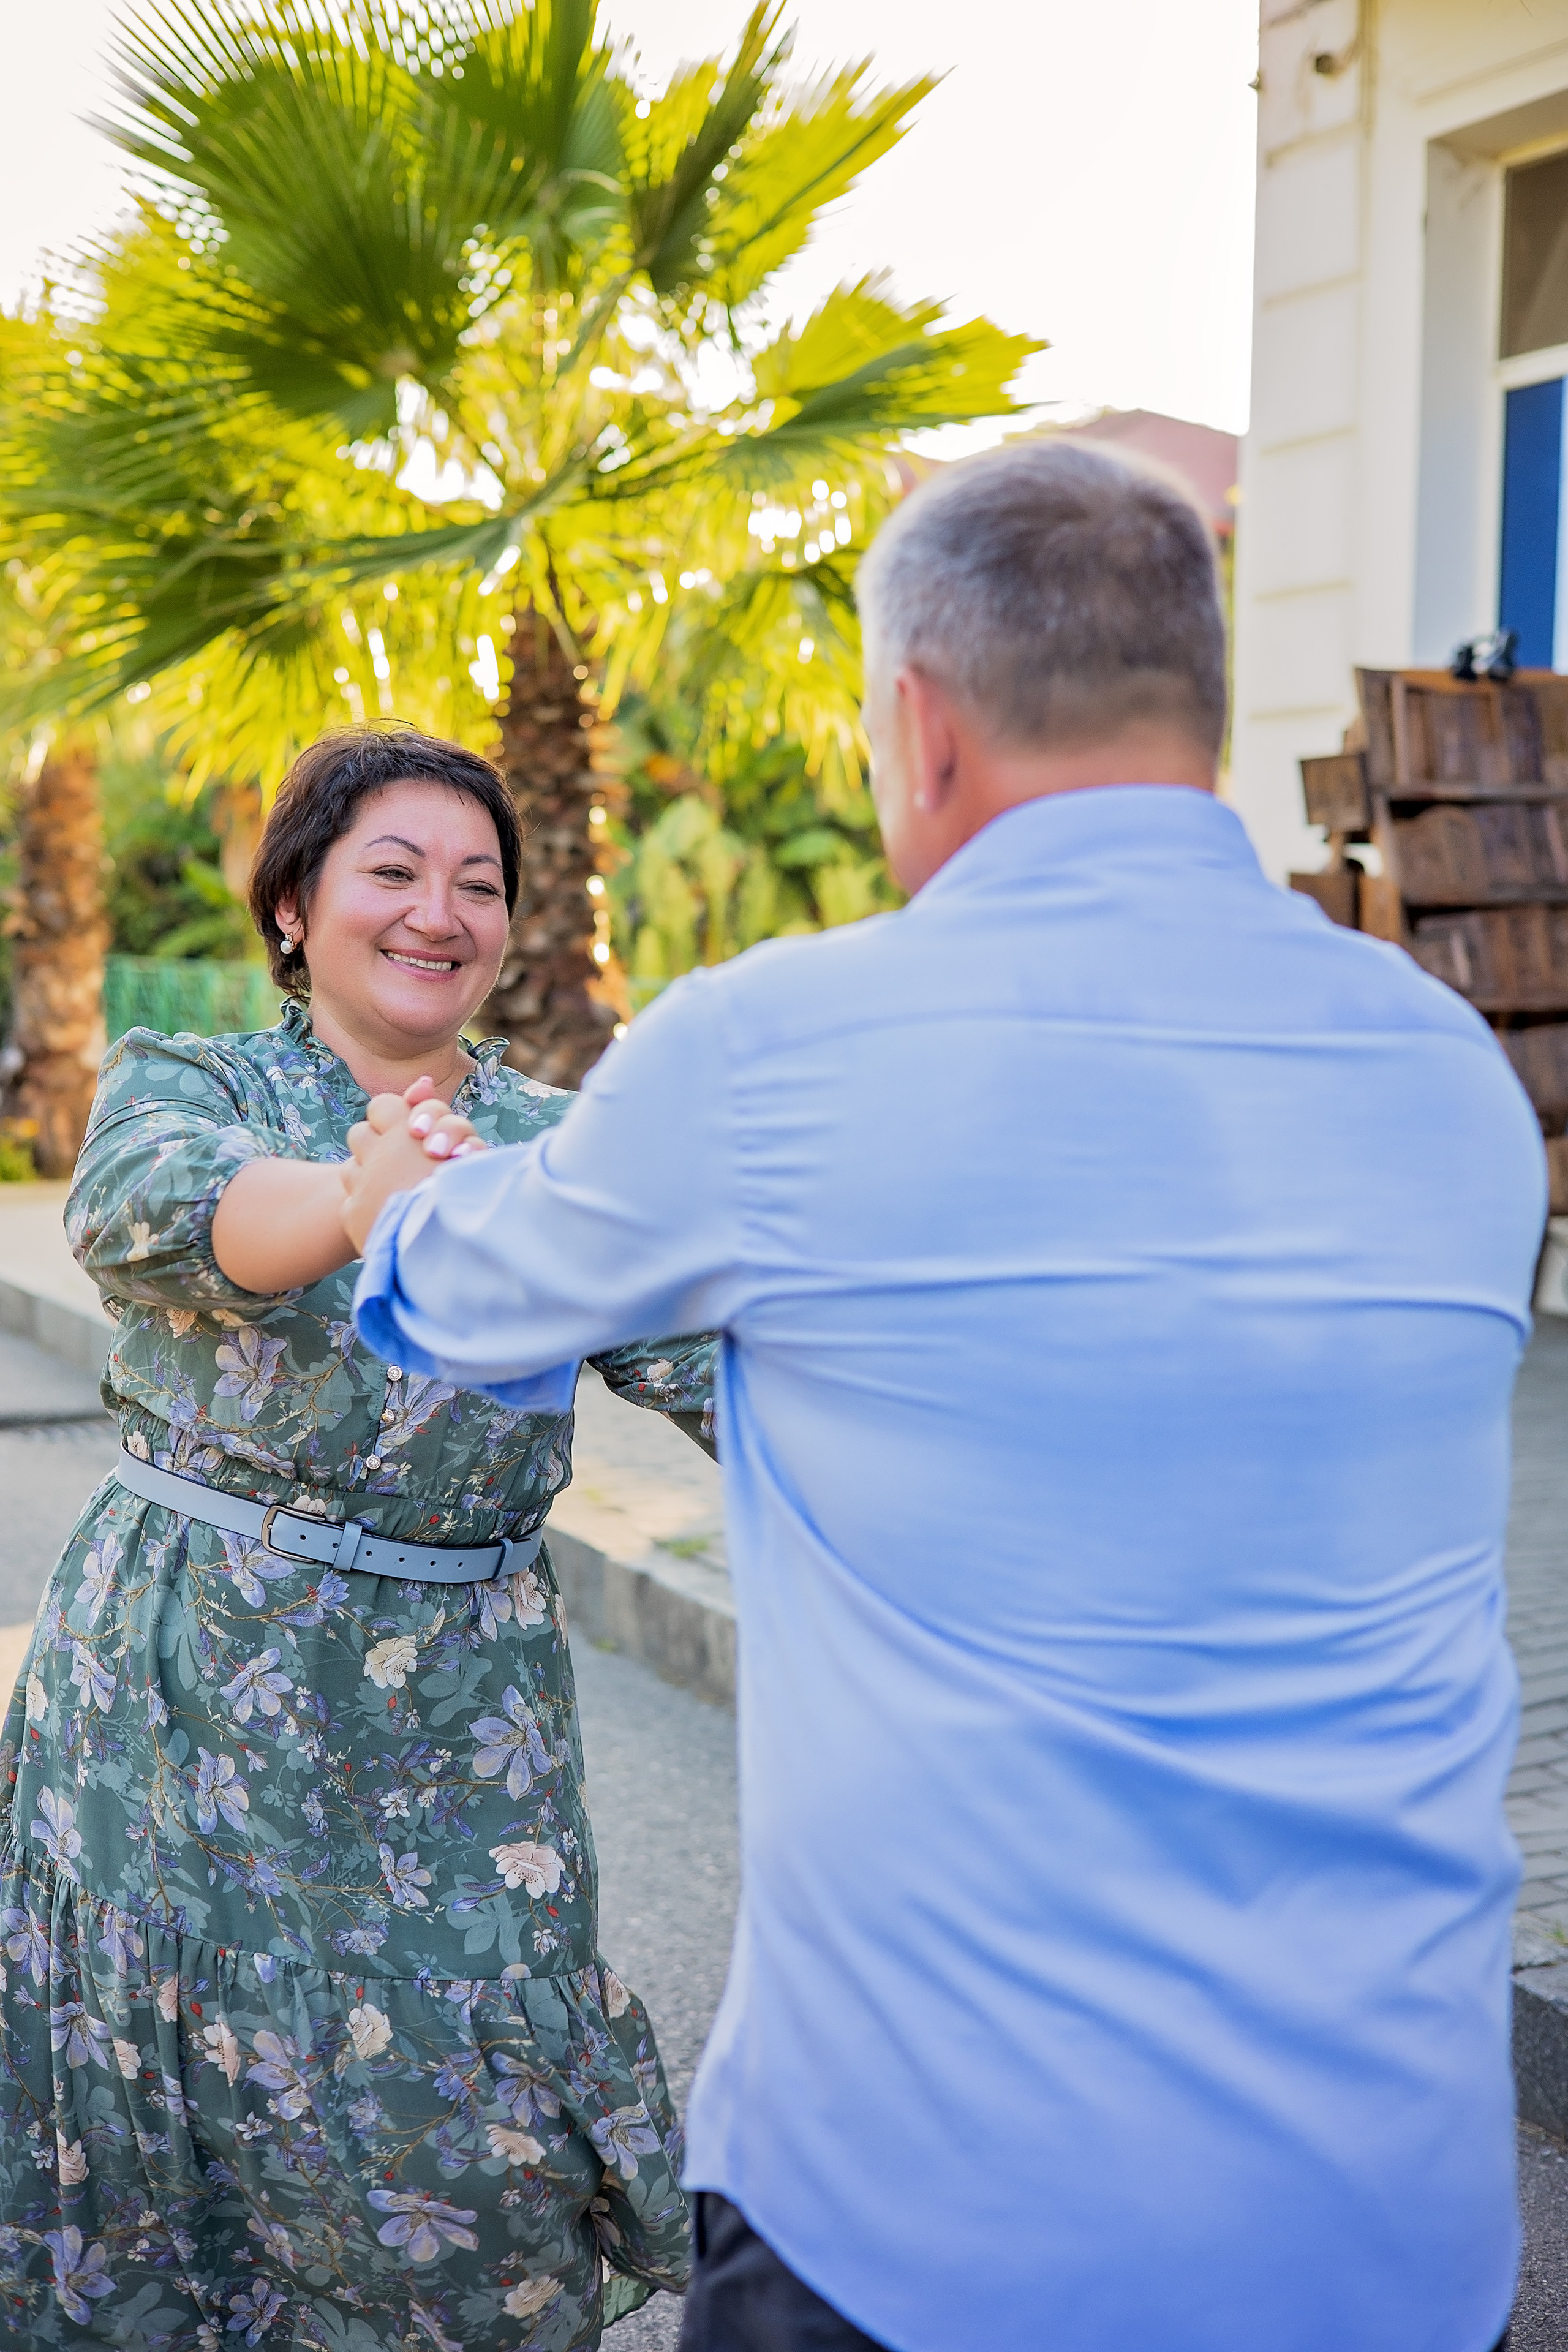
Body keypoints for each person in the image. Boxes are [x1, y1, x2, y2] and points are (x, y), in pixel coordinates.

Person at [341, 440, 1546, 2352]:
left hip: (928, 2232)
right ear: (1203, 712)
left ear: (919, 725)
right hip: (1388, 2225)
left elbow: (449, 1294)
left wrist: (404, 1189)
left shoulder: (774, 1049)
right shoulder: (1452, 1072)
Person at [0, 728, 711, 2350]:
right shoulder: (199, 1085)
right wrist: (362, 1193)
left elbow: (710, 1363)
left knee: (468, 2124)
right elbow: (157, 1219)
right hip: (174, 1693)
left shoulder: (563, 1148)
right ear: (298, 906)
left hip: (460, 1719)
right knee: (168, 2102)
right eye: (392, 870)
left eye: (477, 883)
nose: (437, 911)